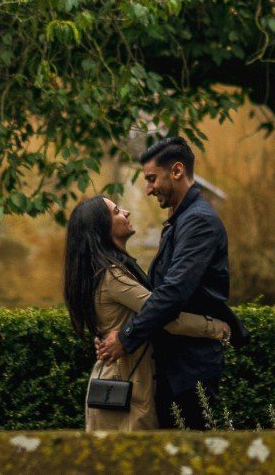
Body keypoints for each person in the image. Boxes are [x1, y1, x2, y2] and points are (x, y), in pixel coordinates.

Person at [94, 136, 247, 429]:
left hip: (189, 368)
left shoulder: (198, 221)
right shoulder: (181, 219)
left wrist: (126, 339)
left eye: (152, 179)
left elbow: (173, 292)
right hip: (175, 363)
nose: (148, 189)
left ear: (177, 171)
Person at [63, 193, 230, 432]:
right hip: (126, 386)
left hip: (114, 379)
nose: (127, 212)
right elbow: (164, 316)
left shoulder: (103, 273)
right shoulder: (112, 276)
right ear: (102, 227)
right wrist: (216, 328)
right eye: (117, 211)